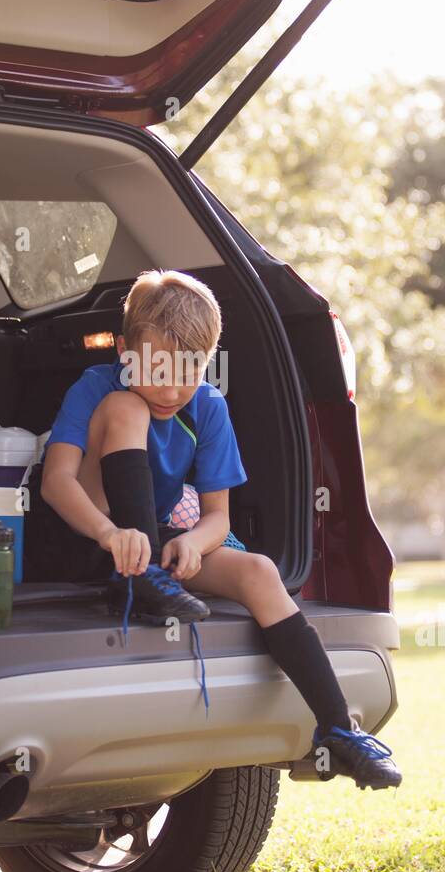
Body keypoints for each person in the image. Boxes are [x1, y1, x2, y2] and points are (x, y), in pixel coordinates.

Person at [27, 269, 401, 790]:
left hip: (153, 549)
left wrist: (192, 544)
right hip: (87, 535)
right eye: (157, 369)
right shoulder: (99, 388)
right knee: (127, 406)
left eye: (191, 370)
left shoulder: (207, 406)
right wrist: (112, 536)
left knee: (259, 571)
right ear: (125, 350)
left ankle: (338, 727)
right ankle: (138, 574)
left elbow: (217, 517)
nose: (174, 388)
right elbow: (56, 482)